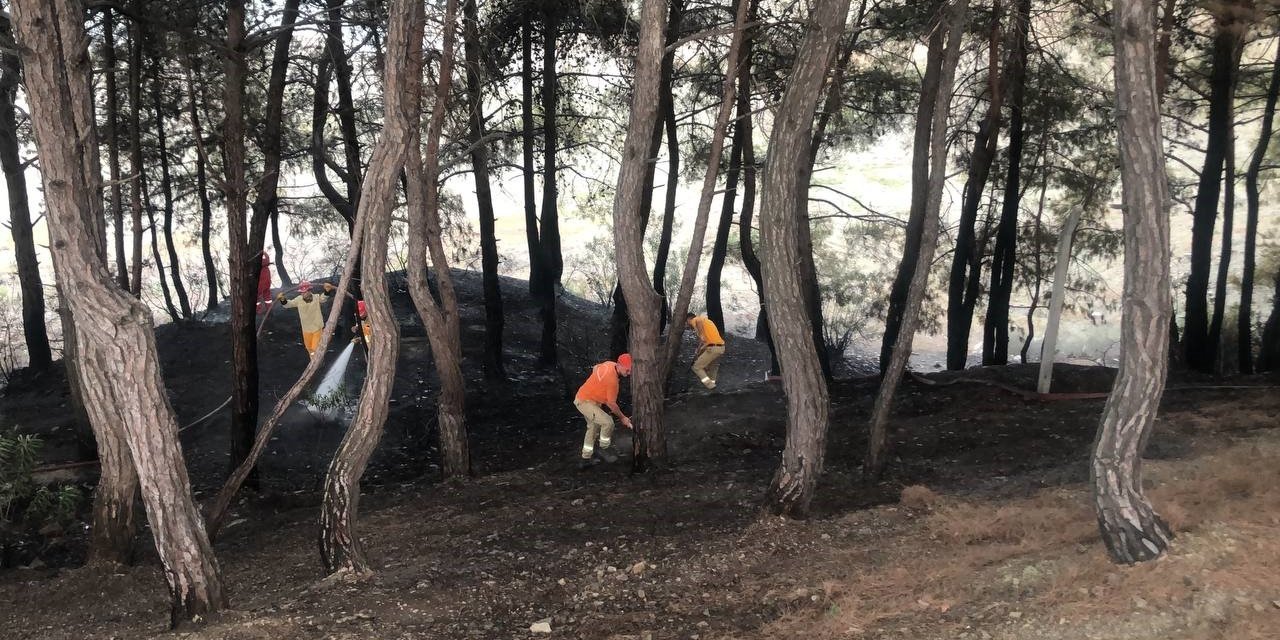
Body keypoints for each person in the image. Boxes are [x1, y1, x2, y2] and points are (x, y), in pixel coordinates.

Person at [573, 353, 633, 469]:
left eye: (630, 370)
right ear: (619, 365)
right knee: (607, 422)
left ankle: (585, 459)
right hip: (584, 402)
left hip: (589, 399)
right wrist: (623, 418)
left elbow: (596, 367)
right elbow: (611, 404)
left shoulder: (610, 364)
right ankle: (604, 448)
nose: (629, 373)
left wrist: (597, 385)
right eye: (627, 370)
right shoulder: (613, 381)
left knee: (593, 427)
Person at [277, 280, 335, 356]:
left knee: (315, 347)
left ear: (309, 291)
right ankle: (315, 362)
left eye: (305, 292)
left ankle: (317, 359)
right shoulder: (298, 299)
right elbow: (288, 304)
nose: (303, 294)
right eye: (302, 292)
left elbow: (323, 298)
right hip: (306, 329)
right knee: (309, 348)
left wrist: (327, 291)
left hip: (317, 328)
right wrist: (283, 299)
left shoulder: (316, 297)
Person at [685, 312, 725, 389]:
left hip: (713, 348)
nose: (687, 324)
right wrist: (699, 350)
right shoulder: (707, 321)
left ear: (689, 318)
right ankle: (712, 384)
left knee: (696, 367)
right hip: (721, 348)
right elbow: (704, 341)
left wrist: (701, 334)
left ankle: (710, 385)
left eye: (686, 322)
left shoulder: (696, 319)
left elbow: (698, 322)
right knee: (713, 367)